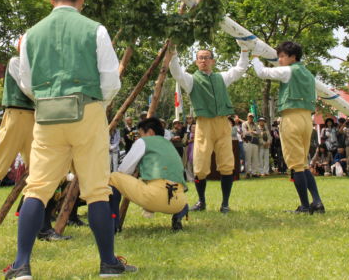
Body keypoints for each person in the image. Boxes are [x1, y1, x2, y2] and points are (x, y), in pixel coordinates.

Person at [6, 0, 135, 279]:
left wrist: (48, 98)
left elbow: (25, 81)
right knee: (96, 190)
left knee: (37, 187)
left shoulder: (31, 34)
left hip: (48, 114)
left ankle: (21, 265)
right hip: (87, 110)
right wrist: (96, 105)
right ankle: (108, 264)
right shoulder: (96, 30)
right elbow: (110, 80)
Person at [169, 48, 247, 213]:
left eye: (206, 58)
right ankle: (201, 202)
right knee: (200, 164)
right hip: (204, 125)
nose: (203, 61)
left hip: (223, 124)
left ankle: (225, 204)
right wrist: (174, 53)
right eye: (200, 58)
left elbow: (240, 69)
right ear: (196, 62)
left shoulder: (222, 78)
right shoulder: (191, 80)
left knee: (227, 164)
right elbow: (176, 72)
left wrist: (244, 50)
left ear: (213, 60)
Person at [251, 41, 325, 214]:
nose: (280, 59)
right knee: (303, 163)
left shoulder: (288, 70)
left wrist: (254, 57)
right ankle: (317, 201)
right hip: (307, 119)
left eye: (283, 56)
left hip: (291, 118)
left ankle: (305, 207)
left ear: (293, 57)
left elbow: (262, 72)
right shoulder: (308, 74)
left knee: (296, 165)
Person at [0, 55, 35, 227]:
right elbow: (27, 88)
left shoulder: (35, 65)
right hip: (15, 115)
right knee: (0, 164)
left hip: (34, 117)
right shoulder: (15, 61)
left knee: (37, 166)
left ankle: (24, 208)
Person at [109, 117, 189, 231]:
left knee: (113, 177)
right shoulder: (170, 145)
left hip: (154, 198)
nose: (139, 137)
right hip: (178, 202)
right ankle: (177, 217)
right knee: (179, 198)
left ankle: (113, 224)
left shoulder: (143, 142)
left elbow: (124, 170)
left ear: (150, 132)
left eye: (141, 134)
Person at [242, 113, 260, 178]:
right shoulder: (244, 124)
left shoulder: (255, 124)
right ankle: (247, 173)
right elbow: (245, 132)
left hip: (255, 142)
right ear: (247, 117)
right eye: (249, 117)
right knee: (248, 158)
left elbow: (259, 132)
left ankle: (254, 173)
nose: (251, 118)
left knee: (255, 158)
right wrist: (253, 132)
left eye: (252, 117)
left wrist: (252, 131)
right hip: (248, 142)